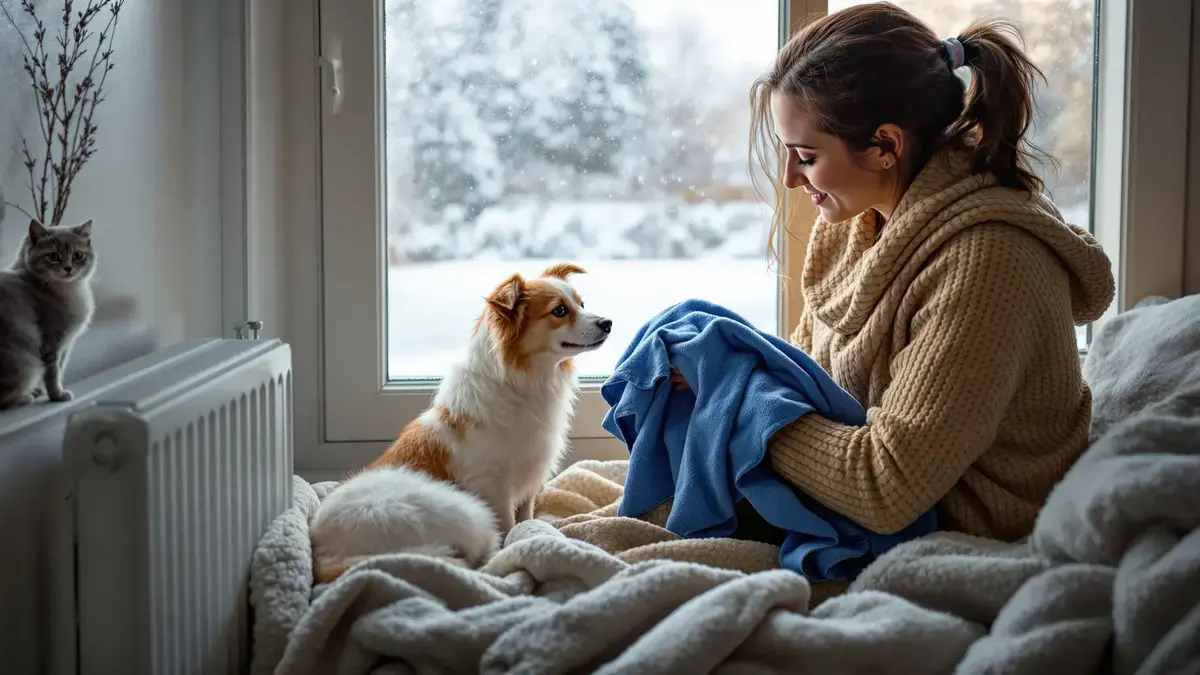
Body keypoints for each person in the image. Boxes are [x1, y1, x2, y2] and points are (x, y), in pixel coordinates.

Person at [672, 2, 1115, 544]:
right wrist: (722, 377)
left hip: (965, 524)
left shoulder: (988, 262)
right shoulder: (858, 219)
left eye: (806, 157)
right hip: (859, 499)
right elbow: (808, 376)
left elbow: (886, 488)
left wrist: (739, 404)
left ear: (885, 146)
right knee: (683, 336)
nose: (790, 178)